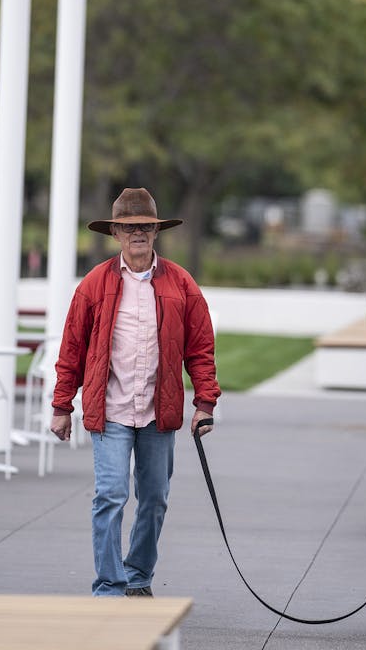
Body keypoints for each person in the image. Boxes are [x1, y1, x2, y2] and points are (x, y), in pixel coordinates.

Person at [50, 187, 219, 598]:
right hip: (109, 410)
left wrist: (205, 403)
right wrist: (61, 406)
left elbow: (201, 347)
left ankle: (138, 575)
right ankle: (109, 583)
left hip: (158, 412)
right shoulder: (94, 284)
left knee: (155, 499)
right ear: (116, 235)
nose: (137, 234)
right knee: (110, 495)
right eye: (128, 227)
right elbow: (71, 348)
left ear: (156, 232)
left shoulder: (182, 284)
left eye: (144, 226)